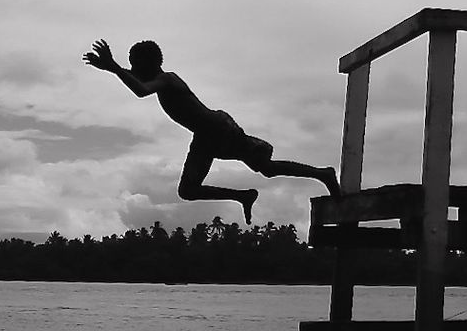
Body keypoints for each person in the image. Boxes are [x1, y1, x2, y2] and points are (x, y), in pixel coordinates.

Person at [83, 39, 339, 224]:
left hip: (216, 129)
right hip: (207, 135)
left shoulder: (167, 79)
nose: (133, 69)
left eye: (136, 65)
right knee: (191, 190)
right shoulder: (155, 79)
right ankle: (247, 194)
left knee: (261, 168)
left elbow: (140, 90)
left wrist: (114, 67)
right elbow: (134, 78)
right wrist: (111, 68)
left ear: (150, 64)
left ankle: (321, 174)